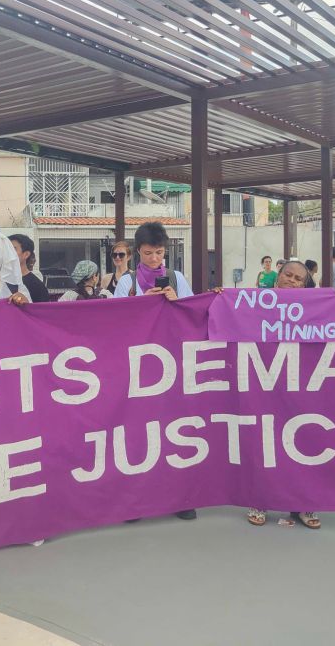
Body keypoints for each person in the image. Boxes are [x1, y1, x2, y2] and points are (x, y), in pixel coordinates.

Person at [114, 222, 196, 521]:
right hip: (137, 367)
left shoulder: (177, 277)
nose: (154, 259)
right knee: (137, 432)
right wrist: (141, 304)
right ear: (138, 252)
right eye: (148, 253)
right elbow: (112, 319)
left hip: (171, 363)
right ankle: (136, 500)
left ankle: (181, 497)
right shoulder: (128, 283)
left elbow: (193, 312)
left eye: (159, 252)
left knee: (174, 429)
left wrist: (178, 301)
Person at [247, 260, 320, 530]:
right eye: (287, 275)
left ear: (305, 284)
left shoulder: (318, 307)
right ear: (277, 277)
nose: (292, 280)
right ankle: (260, 499)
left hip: (302, 385)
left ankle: (303, 504)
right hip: (265, 383)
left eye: (298, 278)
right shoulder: (254, 302)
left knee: (304, 443)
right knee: (266, 442)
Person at [9, 234, 50, 303]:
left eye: (13, 249)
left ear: (26, 254)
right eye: (6, 249)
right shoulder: (0, 281)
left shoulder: (37, 286)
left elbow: (43, 312)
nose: (8, 253)